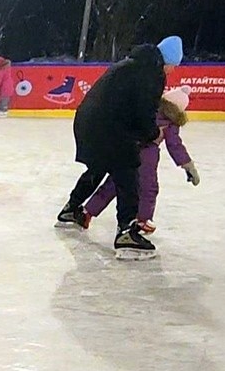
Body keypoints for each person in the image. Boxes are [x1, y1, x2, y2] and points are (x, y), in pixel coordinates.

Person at [56, 35, 183, 259]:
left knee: (100, 165)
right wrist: (153, 134)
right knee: (128, 171)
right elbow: (144, 112)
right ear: (168, 61)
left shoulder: (131, 64)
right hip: (109, 125)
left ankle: (71, 209)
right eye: (174, 65)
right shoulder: (152, 74)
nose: (172, 71)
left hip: (88, 121)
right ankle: (126, 233)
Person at [82, 86, 200, 234]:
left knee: (114, 183)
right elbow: (175, 146)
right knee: (148, 188)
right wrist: (188, 165)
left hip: (126, 149)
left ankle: (88, 211)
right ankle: (143, 220)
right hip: (146, 157)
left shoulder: (148, 110)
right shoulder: (170, 123)